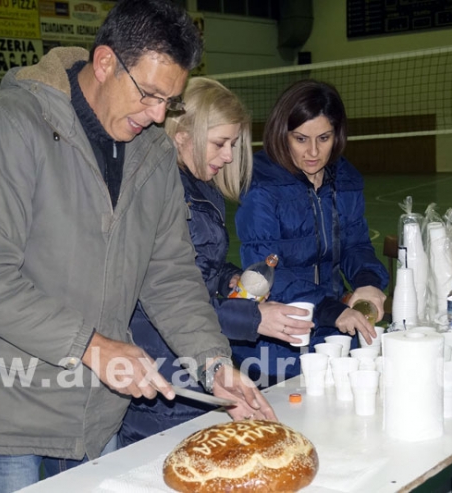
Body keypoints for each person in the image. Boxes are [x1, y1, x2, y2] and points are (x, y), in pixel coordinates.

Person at [0, 1, 275, 491]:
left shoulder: (154, 151)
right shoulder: (6, 126)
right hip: (9, 406)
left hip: (99, 411)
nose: (159, 114)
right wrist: (92, 346)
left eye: (171, 101)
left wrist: (214, 364)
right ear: (104, 64)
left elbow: (170, 274)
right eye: (149, 95)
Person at [118, 78, 313, 447]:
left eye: (234, 145)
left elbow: (202, 271)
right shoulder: (164, 194)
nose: (228, 156)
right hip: (165, 370)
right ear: (181, 135)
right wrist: (256, 318)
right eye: (220, 143)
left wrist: (232, 279)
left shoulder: (202, 186)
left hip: (196, 366)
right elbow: (171, 297)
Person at [234, 79, 389, 385]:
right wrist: (330, 309)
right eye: (301, 139)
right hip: (277, 338)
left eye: (324, 138)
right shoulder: (262, 187)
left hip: (332, 329)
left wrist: (368, 283)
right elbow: (264, 270)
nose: (314, 152)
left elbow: (356, 244)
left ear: (337, 135)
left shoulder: (345, 178)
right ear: (283, 134)